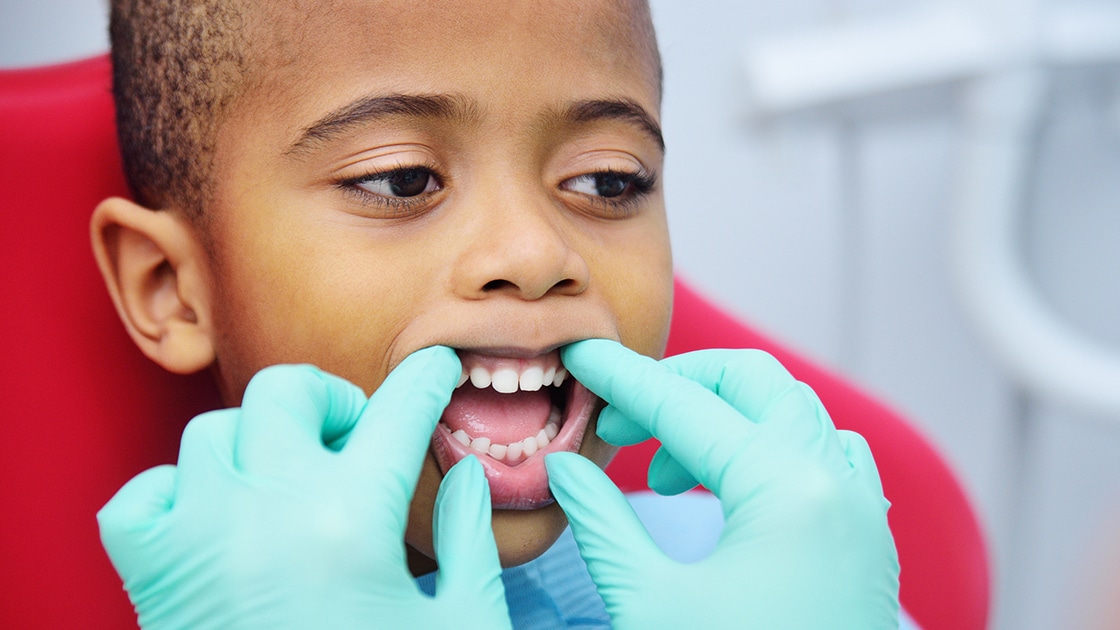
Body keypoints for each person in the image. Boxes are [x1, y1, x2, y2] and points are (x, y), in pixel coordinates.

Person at [91, 0, 902, 627]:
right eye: (402, 179)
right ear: (171, 285)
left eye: (607, 180)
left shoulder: (784, 579)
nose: (533, 255)